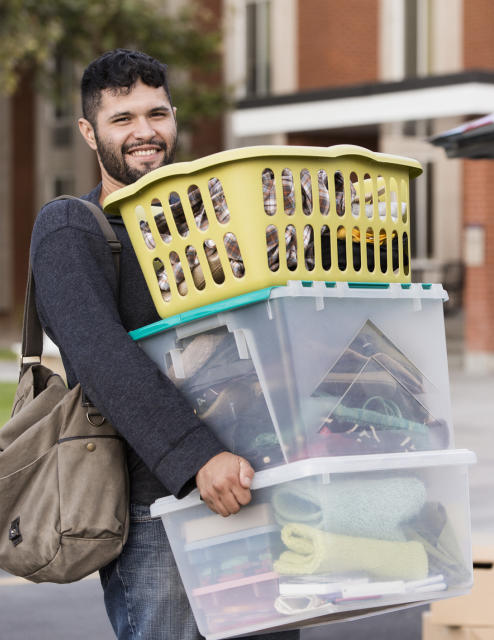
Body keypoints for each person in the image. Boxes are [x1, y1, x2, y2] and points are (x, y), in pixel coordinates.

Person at [29, 49, 298, 640]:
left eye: (157, 114)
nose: (144, 133)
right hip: (162, 509)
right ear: (89, 132)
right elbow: (102, 359)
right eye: (122, 119)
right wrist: (197, 458)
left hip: (258, 486)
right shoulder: (73, 227)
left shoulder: (207, 221)